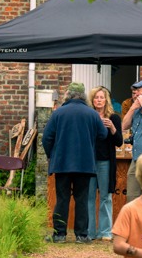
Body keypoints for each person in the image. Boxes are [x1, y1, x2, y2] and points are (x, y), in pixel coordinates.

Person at [41, 83, 106, 242]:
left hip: (62, 162)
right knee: (82, 199)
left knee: (62, 198)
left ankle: (60, 234)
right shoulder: (92, 114)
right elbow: (103, 134)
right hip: (84, 164)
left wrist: (52, 155)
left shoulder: (58, 113)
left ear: (68, 94)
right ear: (83, 96)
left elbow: (46, 138)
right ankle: (81, 235)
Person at [89, 86, 123, 241]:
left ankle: (105, 231)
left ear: (106, 100)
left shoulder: (114, 117)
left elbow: (119, 142)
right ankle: (89, 232)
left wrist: (112, 128)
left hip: (105, 162)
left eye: (102, 97)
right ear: (92, 100)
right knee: (89, 197)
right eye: (96, 97)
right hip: (89, 162)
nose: (99, 100)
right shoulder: (89, 116)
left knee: (105, 197)